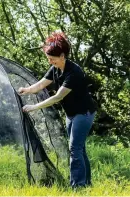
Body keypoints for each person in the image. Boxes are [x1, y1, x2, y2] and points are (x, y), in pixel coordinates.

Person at [18, 31, 97, 188]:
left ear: (62, 55)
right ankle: (86, 184)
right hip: (71, 114)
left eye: (52, 58)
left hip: (84, 113)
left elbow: (57, 97)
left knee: (74, 149)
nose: (49, 61)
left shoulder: (74, 72)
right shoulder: (55, 69)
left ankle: (78, 187)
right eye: (48, 58)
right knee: (80, 149)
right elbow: (40, 85)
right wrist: (25, 90)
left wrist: (34, 107)